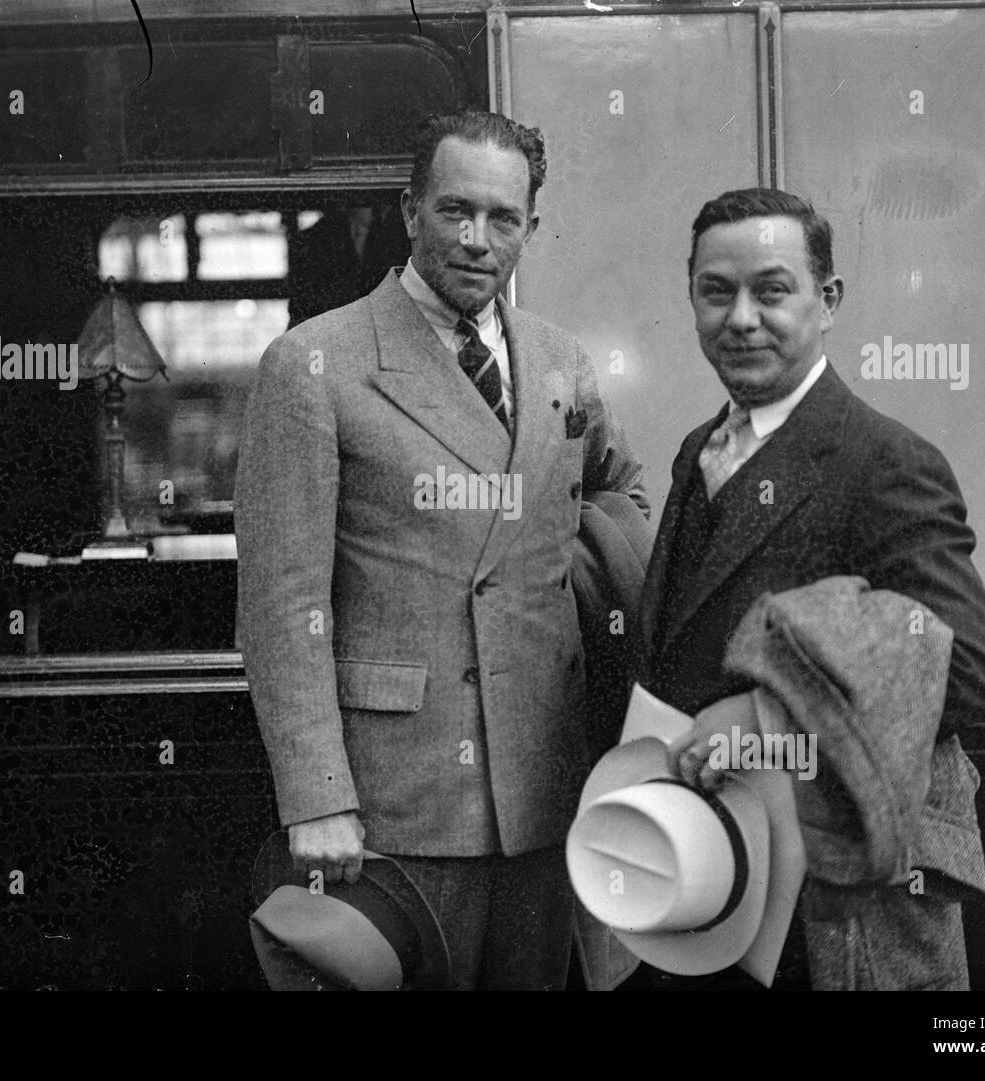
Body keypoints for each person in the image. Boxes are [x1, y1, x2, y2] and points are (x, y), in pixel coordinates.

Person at [235, 110, 648, 990]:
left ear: (531, 228)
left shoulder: (561, 363)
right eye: (454, 210)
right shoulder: (315, 364)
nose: (476, 239)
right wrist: (316, 796)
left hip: (543, 791)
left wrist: (552, 570)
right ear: (409, 209)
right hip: (393, 809)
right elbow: (282, 601)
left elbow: (622, 499)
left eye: (504, 219)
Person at [633, 187, 985, 990]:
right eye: (715, 291)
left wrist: (767, 714)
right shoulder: (702, 448)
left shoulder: (884, 462)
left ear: (827, 300)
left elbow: (969, 664)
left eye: (772, 290)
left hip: (839, 898)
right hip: (719, 879)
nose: (741, 318)